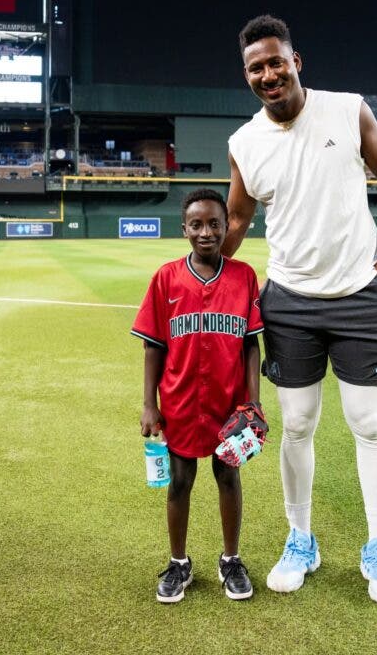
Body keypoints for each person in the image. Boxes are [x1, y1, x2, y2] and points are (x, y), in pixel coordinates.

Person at [224, 14, 377, 605]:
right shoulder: (245, 143)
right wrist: (205, 278)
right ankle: (300, 538)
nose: (268, 74)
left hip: (360, 294)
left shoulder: (347, 108)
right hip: (291, 303)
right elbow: (236, 221)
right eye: (256, 67)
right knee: (297, 426)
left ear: (295, 62)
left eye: (276, 61)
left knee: (368, 425)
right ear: (247, 75)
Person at [132, 188, 267, 604]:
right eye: (196, 224)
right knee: (180, 482)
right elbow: (154, 345)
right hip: (180, 400)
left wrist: (254, 402)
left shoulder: (244, 276)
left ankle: (231, 559)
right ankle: (178, 563)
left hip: (229, 402)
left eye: (214, 224)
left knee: (228, 476)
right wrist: (149, 403)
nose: (205, 232)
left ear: (228, 227)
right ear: (184, 229)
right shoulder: (166, 278)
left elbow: (250, 345)